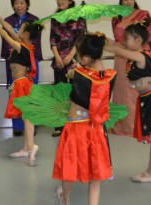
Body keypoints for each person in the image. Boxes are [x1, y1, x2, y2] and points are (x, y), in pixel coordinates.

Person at [105, 20, 151, 183]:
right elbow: (118, 46)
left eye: (127, 39)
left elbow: (117, 49)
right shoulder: (134, 53)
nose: (124, 42)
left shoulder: (140, 55)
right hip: (147, 99)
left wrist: (103, 44)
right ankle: (150, 171)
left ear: (138, 41)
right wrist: (103, 39)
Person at [53, 33, 116, 205]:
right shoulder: (111, 75)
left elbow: (72, 75)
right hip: (96, 130)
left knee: (69, 167)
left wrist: (77, 68)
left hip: (76, 128)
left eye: (79, 56)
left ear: (86, 58)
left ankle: (65, 199)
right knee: (95, 175)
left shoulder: (79, 73)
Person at [0, 9, 44, 166]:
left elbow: (6, 35)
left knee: (27, 117)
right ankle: (26, 148)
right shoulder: (22, 44)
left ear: (27, 34)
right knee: (24, 116)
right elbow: (9, 29)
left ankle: (31, 146)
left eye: (21, 29)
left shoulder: (24, 47)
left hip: (22, 84)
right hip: (19, 83)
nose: (18, 30)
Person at [110, 0, 151, 136]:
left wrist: (132, 45)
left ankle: (135, 126)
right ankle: (121, 126)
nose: (128, 1)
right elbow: (118, 39)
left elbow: (147, 37)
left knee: (135, 91)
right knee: (121, 91)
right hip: (121, 58)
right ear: (121, 1)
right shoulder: (116, 17)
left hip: (137, 55)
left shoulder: (143, 15)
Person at [0, 0, 43, 137]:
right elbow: (6, 40)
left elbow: (34, 42)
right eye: (16, 3)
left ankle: (32, 123)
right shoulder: (8, 20)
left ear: (27, 4)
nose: (19, 6)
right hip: (14, 61)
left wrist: (19, 46)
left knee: (31, 93)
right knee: (15, 93)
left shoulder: (34, 20)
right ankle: (17, 125)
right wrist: (13, 49)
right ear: (12, 5)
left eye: (22, 2)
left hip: (30, 60)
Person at [50, 0, 86, 137]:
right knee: (59, 92)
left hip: (74, 59)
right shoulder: (55, 17)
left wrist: (70, 55)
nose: (60, 1)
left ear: (70, 1)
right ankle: (59, 125)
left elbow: (81, 38)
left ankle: (74, 122)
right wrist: (57, 56)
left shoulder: (78, 17)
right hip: (58, 60)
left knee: (75, 92)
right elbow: (52, 39)